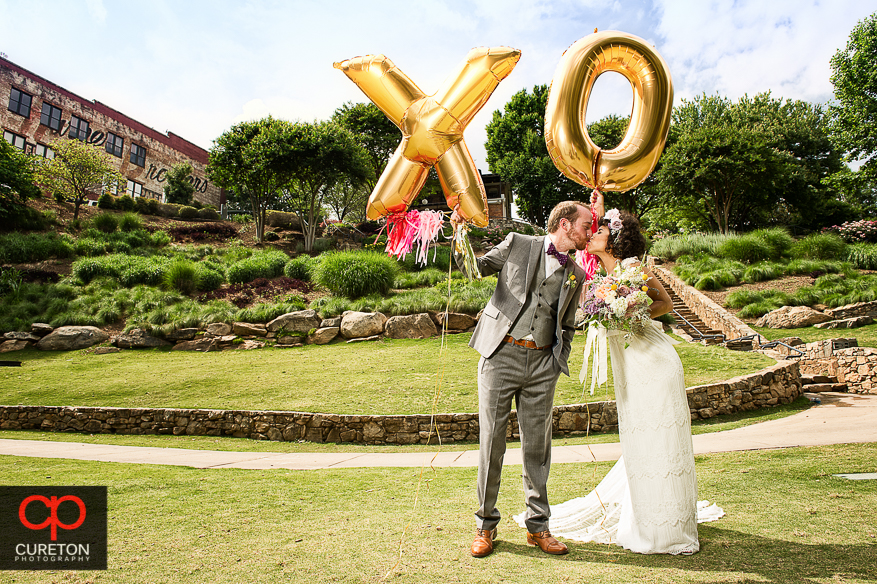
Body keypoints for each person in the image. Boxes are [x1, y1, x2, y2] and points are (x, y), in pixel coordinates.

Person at [535, 209, 723, 555]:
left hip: (654, 362)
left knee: (659, 438)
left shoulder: (634, 268)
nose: (591, 234)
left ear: (615, 238)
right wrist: (610, 311)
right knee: (640, 439)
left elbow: (664, 304)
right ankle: (648, 511)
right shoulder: (607, 273)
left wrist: (626, 312)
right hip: (630, 366)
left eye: (600, 230)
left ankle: (665, 525)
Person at [451, 200, 592, 558]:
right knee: (492, 441)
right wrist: (459, 233)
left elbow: (570, 324)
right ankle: (486, 525)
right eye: (585, 225)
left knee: (537, 448)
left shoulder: (576, 272)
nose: (589, 232)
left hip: (543, 364)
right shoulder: (517, 243)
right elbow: (473, 268)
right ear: (564, 224)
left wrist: (557, 360)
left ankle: (539, 527)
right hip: (501, 355)